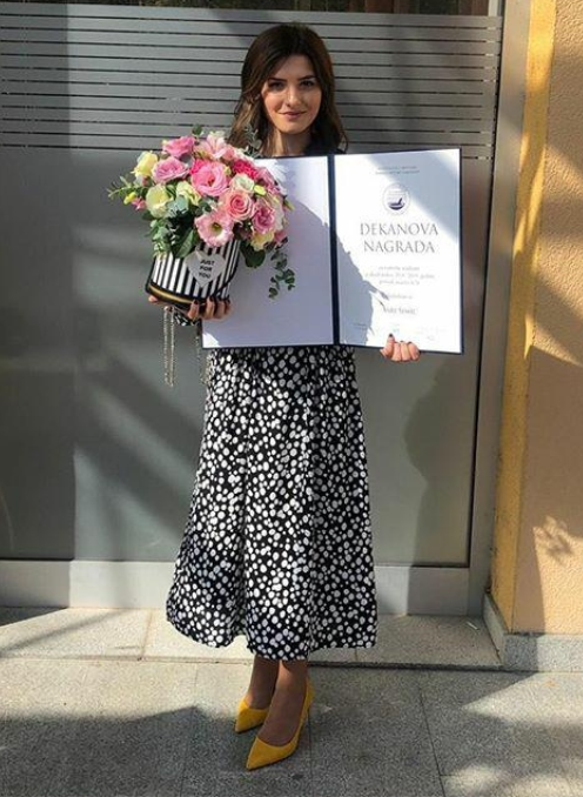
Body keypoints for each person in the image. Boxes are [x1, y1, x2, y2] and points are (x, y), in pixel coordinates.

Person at [149, 22, 421, 770]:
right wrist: (195, 302)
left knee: (294, 526)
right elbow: (186, 278)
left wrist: (403, 327)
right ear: (256, 90)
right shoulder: (220, 174)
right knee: (247, 525)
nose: (292, 97)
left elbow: (385, 279)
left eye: (306, 82)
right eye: (277, 83)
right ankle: (265, 664)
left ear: (323, 91)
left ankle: (294, 679)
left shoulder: (355, 182)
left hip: (314, 381)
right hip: (243, 378)